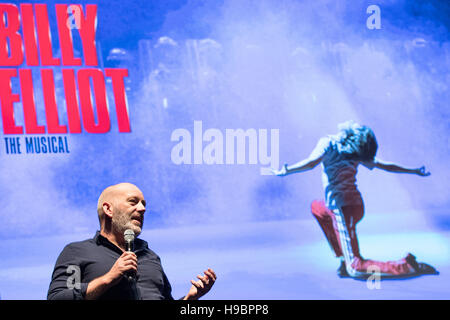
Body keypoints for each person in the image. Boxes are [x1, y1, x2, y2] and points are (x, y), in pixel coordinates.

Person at [272, 120, 438, 278]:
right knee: (317, 208)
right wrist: (287, 170)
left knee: (355, 268)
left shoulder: (347, 149)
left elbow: (311, 163)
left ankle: (407, 266)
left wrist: (413, 170)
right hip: (346, 207)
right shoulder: (338, 146)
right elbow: (311, 163)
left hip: (345, 210)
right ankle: (344, 258)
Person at [47, 182, 217, 300]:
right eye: (133, 202)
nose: (142, 209)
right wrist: (108, 278)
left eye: (143, 204)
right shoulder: (77, 252)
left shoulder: (151, 257)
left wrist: (190, 298)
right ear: (108, 209)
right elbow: (59, 296)